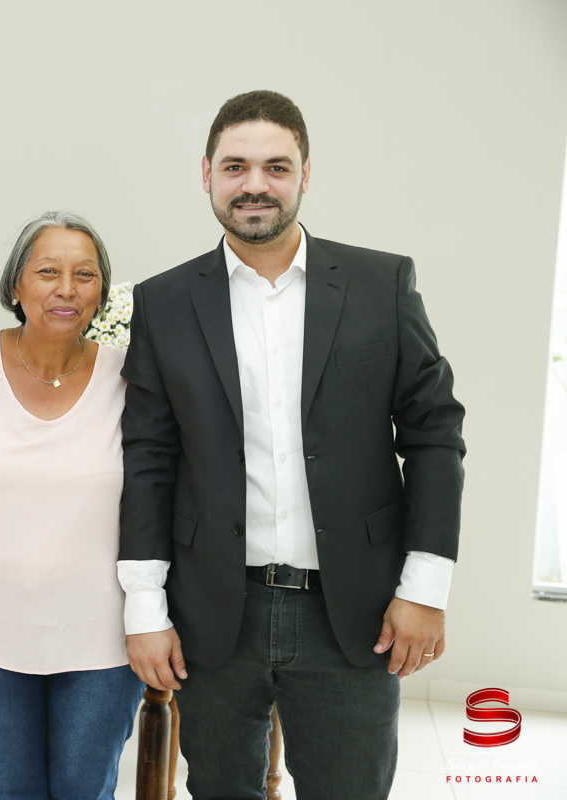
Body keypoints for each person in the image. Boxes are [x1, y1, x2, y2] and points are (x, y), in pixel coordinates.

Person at [118, 90, 466, 800]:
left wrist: (425, 588)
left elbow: (434, 435)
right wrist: (143, 606)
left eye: (276, 167)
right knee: (219, 789)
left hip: (354, 613)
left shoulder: (381, 283)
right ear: (207, 174)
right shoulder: (163, 302)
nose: (254, 185)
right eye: (235, 166)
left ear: (306, 175)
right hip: (214, 610)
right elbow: (149, 460)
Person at [0, 211, 145, 799]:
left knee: (84, 789)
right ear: (16, 284)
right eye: (47, 271)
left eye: (86, 274)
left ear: (103, 290)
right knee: (8, 787)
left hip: (103, 635)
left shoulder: (132, 377)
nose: (67, 290)